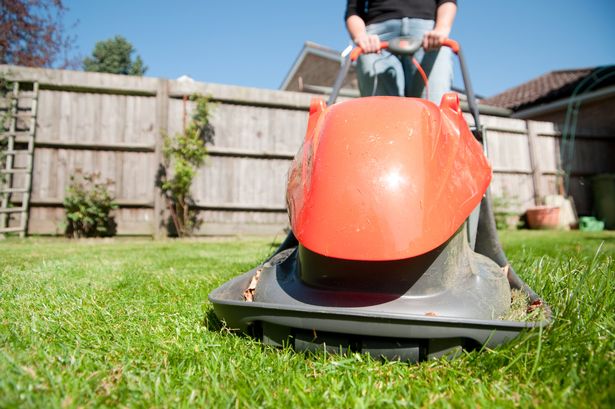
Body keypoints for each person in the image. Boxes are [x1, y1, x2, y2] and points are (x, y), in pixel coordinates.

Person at [345, 0, 457, 103]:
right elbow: (353, 9)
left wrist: (441, 28)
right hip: (376, 38)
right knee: (380, 109)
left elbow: (447, 1)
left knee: (434, 106)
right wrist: (361, 35)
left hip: (428, 35)